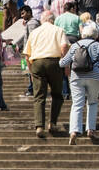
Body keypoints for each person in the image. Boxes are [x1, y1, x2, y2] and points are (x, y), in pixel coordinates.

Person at [60, 22, 99, 144]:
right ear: (95, 35)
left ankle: (73, 131)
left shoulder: (75, 45)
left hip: (77, 77)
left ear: (82, 34)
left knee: (77, 104)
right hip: (94, 77)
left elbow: (63, 63)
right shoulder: (98, 46)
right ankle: (90, 129)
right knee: (92, 102)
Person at [24, 10, 68, 138]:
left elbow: (27, 55)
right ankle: (52, 123)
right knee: (57, 94)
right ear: (52, 19)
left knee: (39, 96)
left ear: (42, 20)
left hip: (37, 62)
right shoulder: (58, 30)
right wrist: (65, 63)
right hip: (55, 62)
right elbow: (64, 46)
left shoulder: (35, 32)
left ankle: (39, 126)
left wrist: (31, 71)